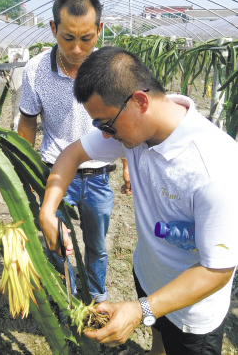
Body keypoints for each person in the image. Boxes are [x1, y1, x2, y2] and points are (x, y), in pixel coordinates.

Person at [39, 46, 238, 355]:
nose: (104, 136)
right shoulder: (138, 130)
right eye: (97, 126)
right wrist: (48, 210)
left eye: (106, 124)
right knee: (157, 341)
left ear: (140, 101)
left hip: (192, 310)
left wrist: (141, 309)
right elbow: (72, 153)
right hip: (148, 274)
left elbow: (218, 270)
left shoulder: (215, 168)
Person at [18, 0, 120, 303]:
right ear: (53, 29)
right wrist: (25, 173)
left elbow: (125, 122)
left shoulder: (111, 69)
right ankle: (66, 298)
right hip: (54, 173)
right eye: (67, 38)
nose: (77, 49)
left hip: (97, 174)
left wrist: (128, 165)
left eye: (86, 39)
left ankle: (97, 299)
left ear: (99, 29)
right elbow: (28, 122)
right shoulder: (36, 70)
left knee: (97, 246)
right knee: (55, 242)